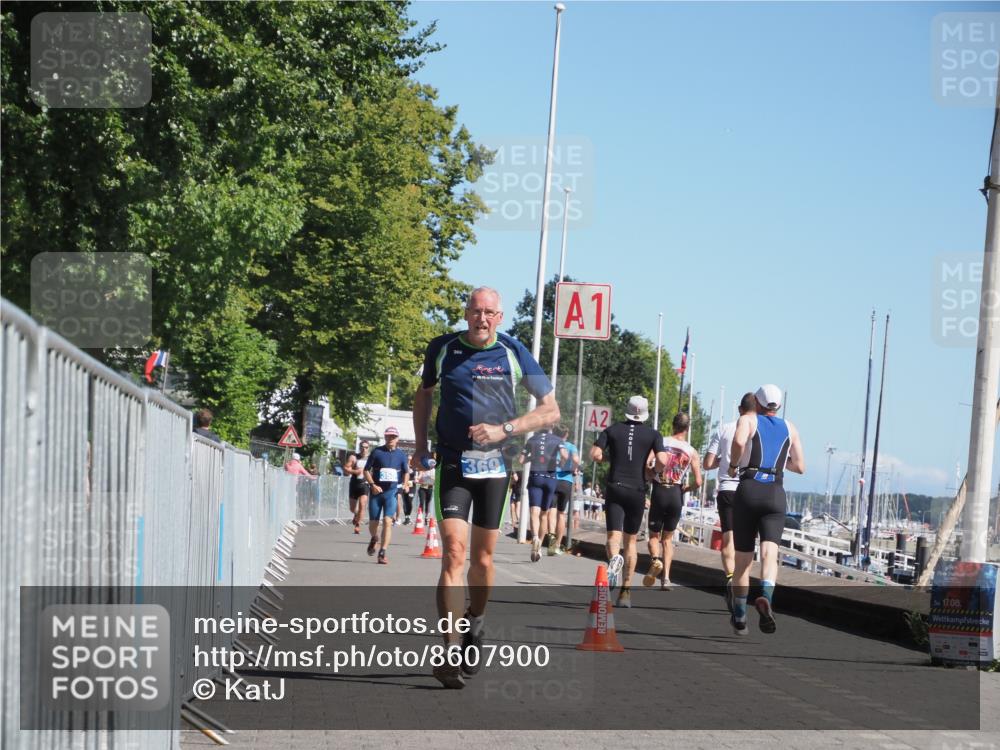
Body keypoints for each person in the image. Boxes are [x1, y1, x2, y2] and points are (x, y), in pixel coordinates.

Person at [412, 286, 558, 688]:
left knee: (483, 561)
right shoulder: (442, 348)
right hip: (454, 462)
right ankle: (449, 650)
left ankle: (476, 621)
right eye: (475, 311)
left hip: (495, 466)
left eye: (488, 312)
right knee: (453, 555)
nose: (481, 318)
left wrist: (504, 429)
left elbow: (551, 409)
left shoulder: (513, 352)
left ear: (500, 317)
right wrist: (421, 444)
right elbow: (423, 395)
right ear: (465, 313)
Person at [727, 384, 805, 636]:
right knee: (770, 555)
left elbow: (739, 442)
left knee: (743, 561)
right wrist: (782, 463)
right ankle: (766, 596)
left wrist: (733, 464)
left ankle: (740, 616)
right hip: (775, 493)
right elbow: (800, 466)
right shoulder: (790, 428)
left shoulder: (748, 420)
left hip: (749, 489)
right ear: (778, 406)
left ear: (757, 403)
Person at [590, 395, 668, 609]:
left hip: (615, 486)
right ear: (645, 413)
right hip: (637, 490)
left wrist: (611, 459)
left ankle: (615, 558)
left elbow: (595, 454)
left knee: (613, 537)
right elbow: (662, 460)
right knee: (631, 542)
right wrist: (653, 472)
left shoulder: (612, 430)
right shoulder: (653, 434)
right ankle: (625, 592)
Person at [703, 392, 756, 610]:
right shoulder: (757, 430)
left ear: (739, 410)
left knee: (728, 539)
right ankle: (741, 585)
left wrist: (722, 463)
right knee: (746, 545)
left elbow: (707, 463)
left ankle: (730, 577)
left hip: (726, 488)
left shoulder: (723, 429)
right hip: (749, 489)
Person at [644, 413, 702, 590]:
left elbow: (647, 464)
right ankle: (666, 579)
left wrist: (651, 475)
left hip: (660, 489)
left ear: (673, 425)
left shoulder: (661, 441)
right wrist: (687, 488)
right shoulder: (691, 451)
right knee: (668, 539)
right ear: (687, 428)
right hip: (676, 493)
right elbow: (698, 482)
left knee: (654, 535)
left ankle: (655, 560)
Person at [363, 427, 410, 565]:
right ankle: (374, 537)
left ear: (397, 439)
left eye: (393, 437)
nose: (391, 439)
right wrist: (372, 485)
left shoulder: (401, 455)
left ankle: (382, 552)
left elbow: (406, 472)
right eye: (389, 436)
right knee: (373, 524)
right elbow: (366, 470)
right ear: (385, 438)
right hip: (377, 493)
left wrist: (406, 484)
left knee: (388, 521)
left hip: (391, 493)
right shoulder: (377, 452)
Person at [520, 427, 563, 562]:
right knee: (544, 514)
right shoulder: (557, 439)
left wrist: (531, 458)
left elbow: (521, 460)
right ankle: (539, 547)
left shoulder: (532, 439)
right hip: (550, 478)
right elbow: (565, 455)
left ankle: (534, 538)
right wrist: (559, 464)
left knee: (534, 512)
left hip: (536, 476)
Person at [551, 424, 580, 554]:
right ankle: (557, 544)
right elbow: (576, 459)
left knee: (550, 511)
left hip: (553, 479)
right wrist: (573, 469)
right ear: (566, 435)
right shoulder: (571, 447)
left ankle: (549, 540)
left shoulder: (551, 444)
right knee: (561, 513)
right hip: (566, 481)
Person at [344, 441, 372, 534]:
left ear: (369, 448)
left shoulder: (371, 458)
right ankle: (356, 515)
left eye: (366, 447)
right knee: (352, 508)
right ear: (359, 447)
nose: (364, 449)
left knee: (362, 505)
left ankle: (358, 525)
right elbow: (346, 469)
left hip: (365, 484)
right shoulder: (354, 457)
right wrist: (355, 472)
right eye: (362, 447)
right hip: (354, 484)